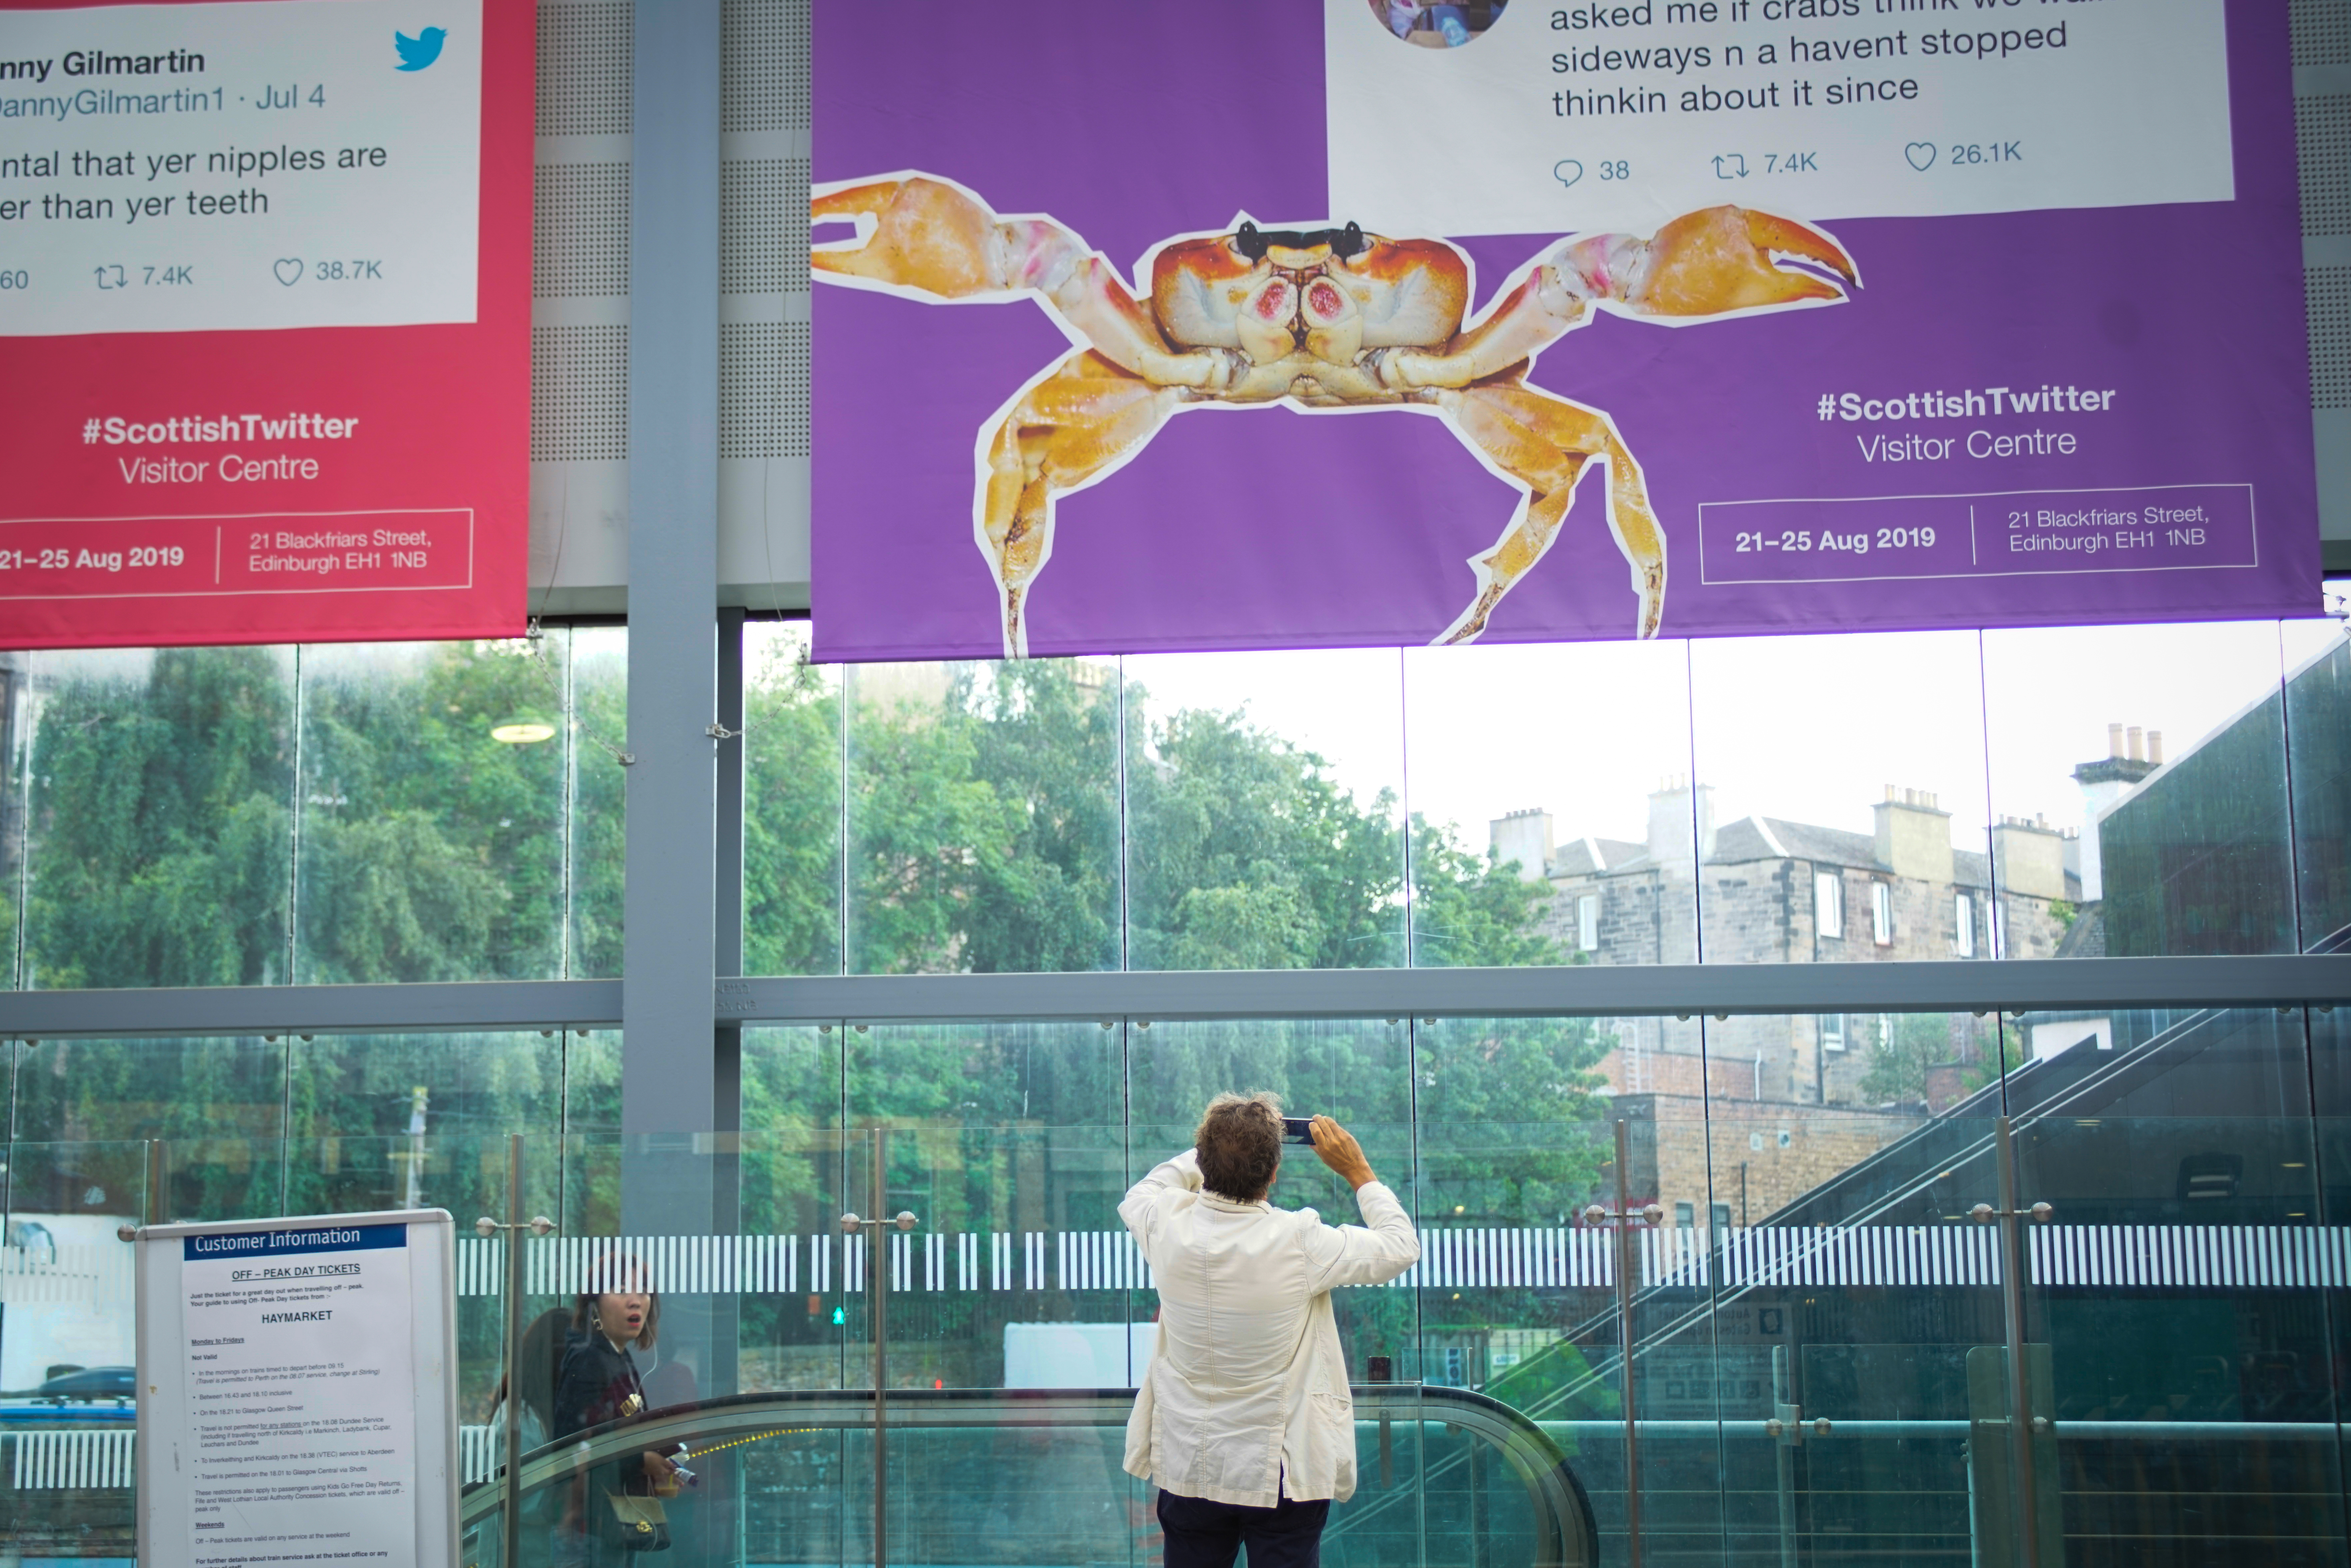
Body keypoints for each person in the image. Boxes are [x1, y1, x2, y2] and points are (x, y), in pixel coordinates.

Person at [1120, 1096, 1421, 1568]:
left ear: (1201, 1161)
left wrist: (1219, 1147)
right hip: (1278, 1470)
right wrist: (1359, 1171)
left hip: (1190, 1464)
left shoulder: (1163, 1223)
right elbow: (1401, 1247)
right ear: (1274, 1172)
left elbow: (1145, 1190)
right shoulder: (1301, 1240)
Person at [551, 1256, 681, 1564]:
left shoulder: (618, 1357)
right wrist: (641, 1460)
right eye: (621, 1290)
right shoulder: (588, 1360)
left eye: (643, 1291)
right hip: (590, 1527)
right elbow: (577, 1443)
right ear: (593, 1305)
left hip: (615, 1521)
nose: (635, 1301)